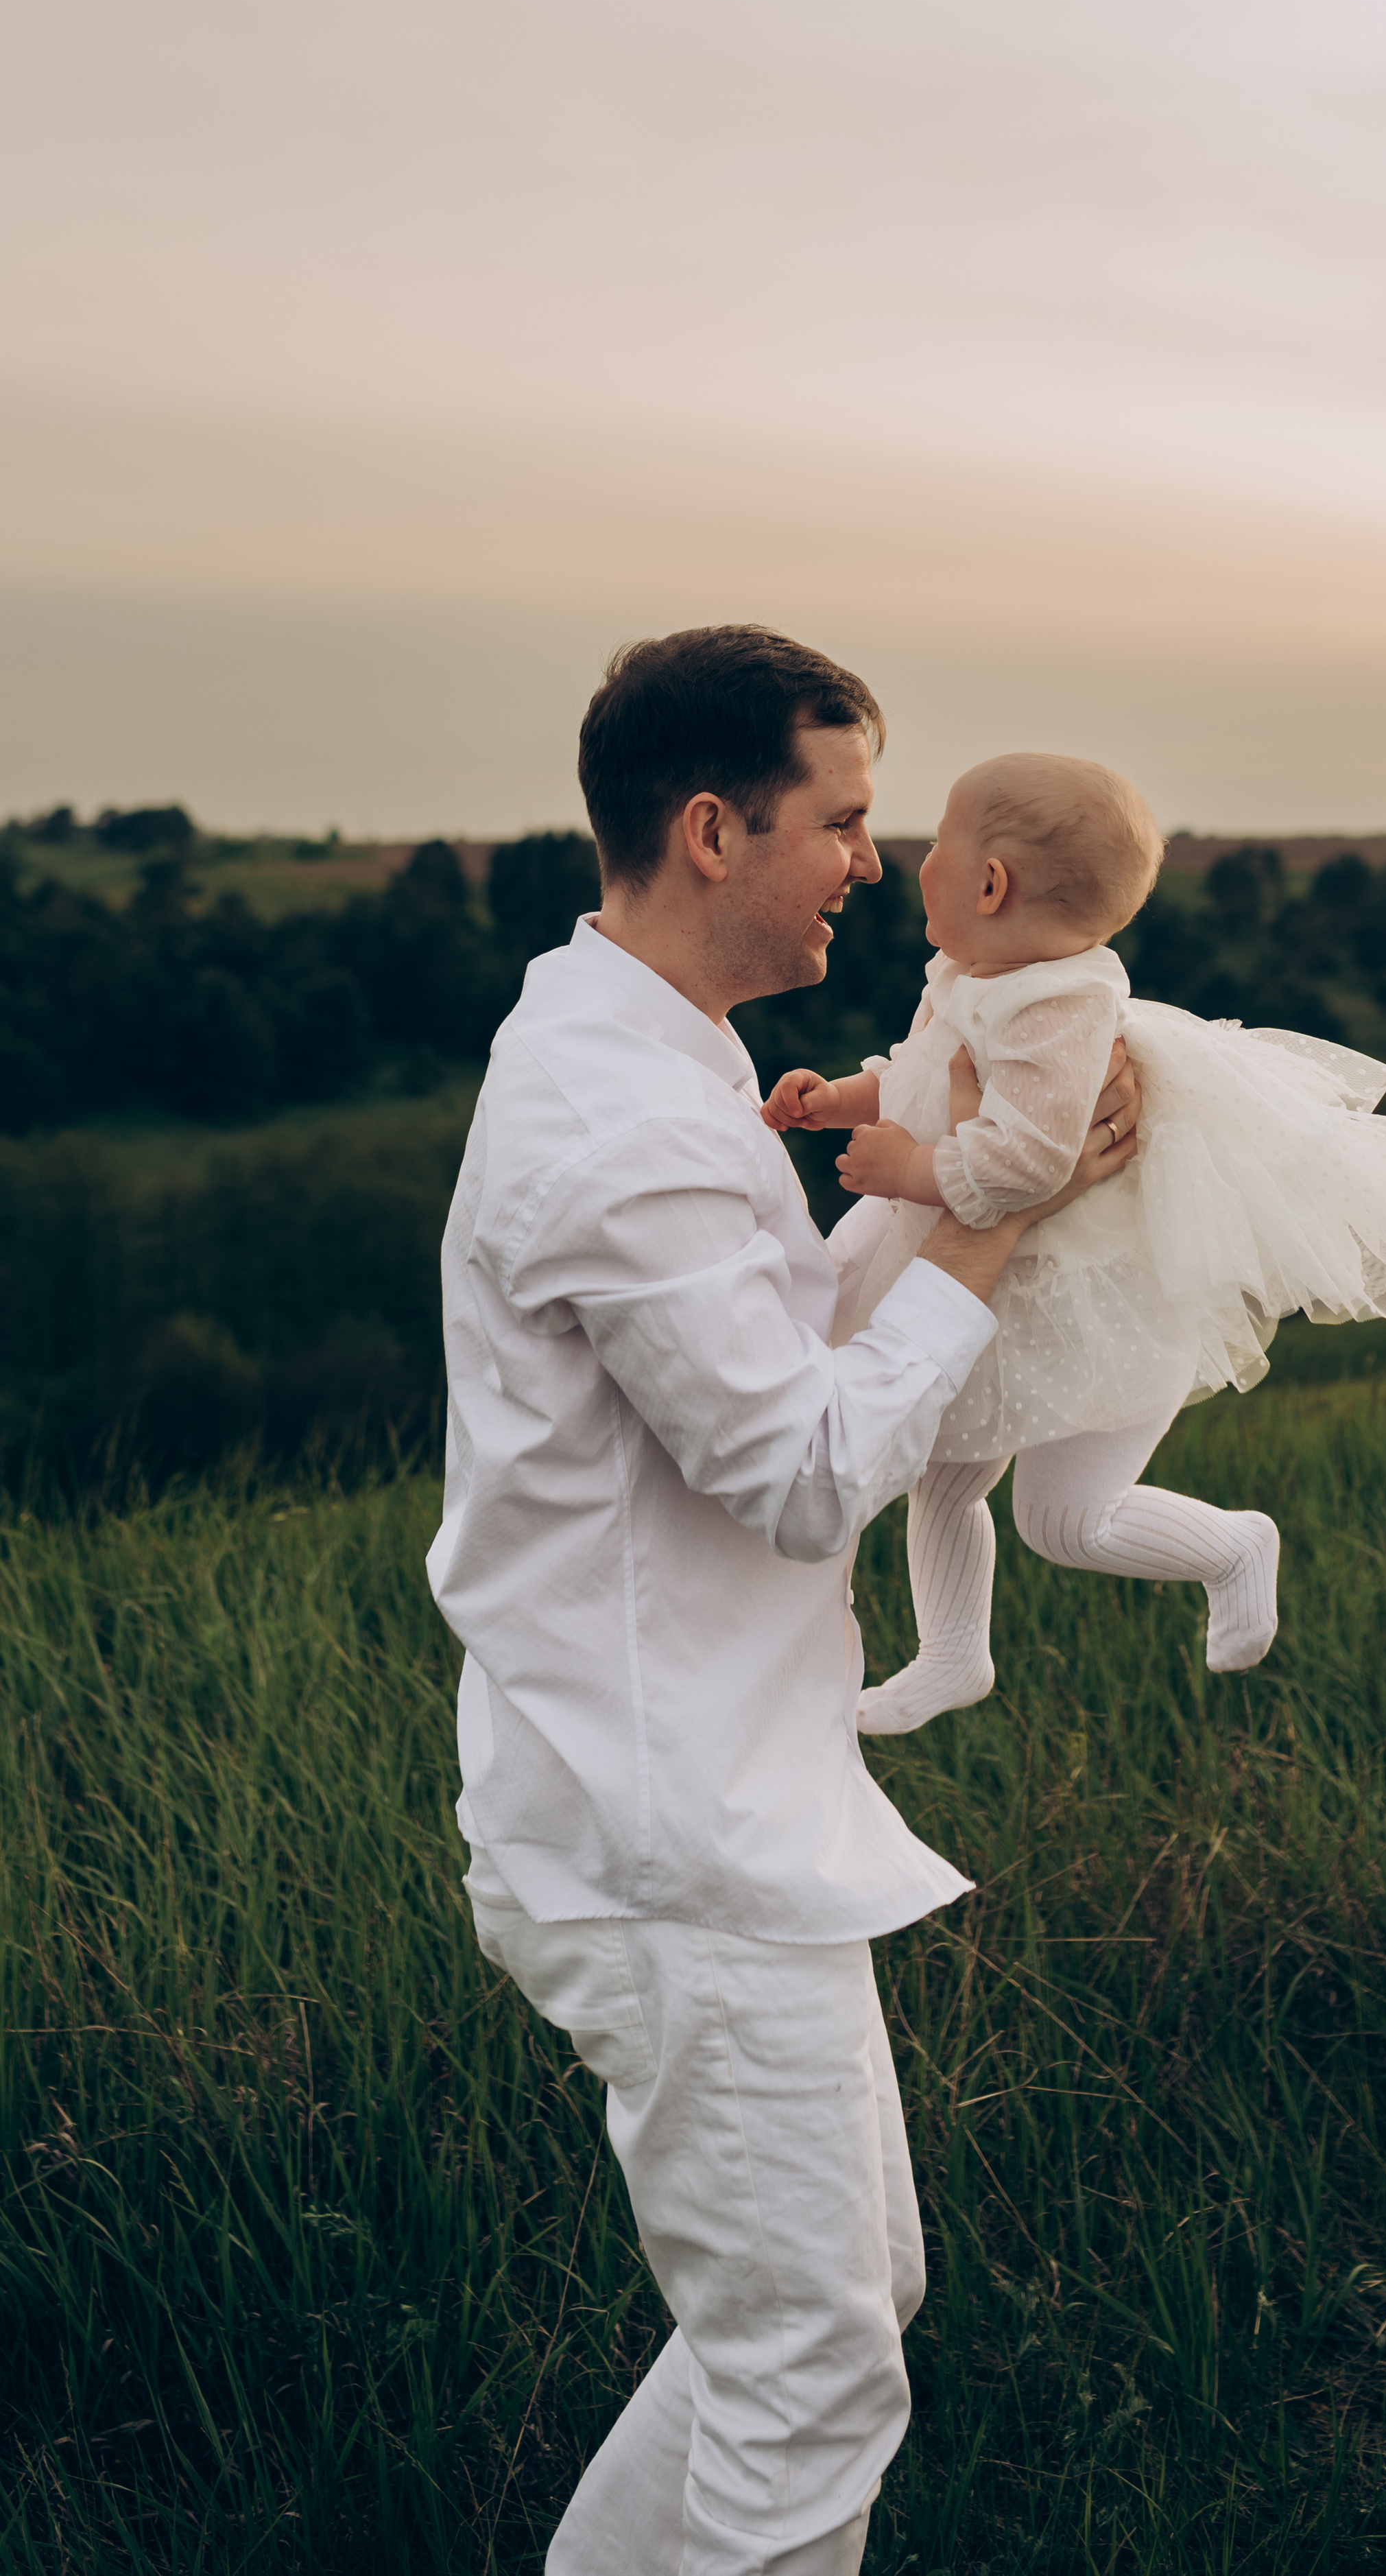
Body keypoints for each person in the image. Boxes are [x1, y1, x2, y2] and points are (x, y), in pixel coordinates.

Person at [425, 632, 1140, 2576]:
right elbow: (808, 1469)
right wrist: (993, 1209)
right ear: (711, 828)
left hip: (712, 1780)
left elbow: (774, 1364)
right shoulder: (624, 1124)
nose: (869, 861)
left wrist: (968, 1200)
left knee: (836, 2307)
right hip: (665, 1827)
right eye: (839, 820)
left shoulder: (660, 1055)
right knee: (810, 2371)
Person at [763, 751, 1386, 1736]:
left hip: (1082, 1297)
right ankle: (952, 1654)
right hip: (993, 1287)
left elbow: (1030, 1161)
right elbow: (920, 1073)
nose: (916, 861)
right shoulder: (969, 973)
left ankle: (1234, 1548)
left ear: (991, 883)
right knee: (941, 1472)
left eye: (939, 844)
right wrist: (840, 1100)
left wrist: (912, 1169)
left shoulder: (1056, 1008)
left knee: (1065, 1521)